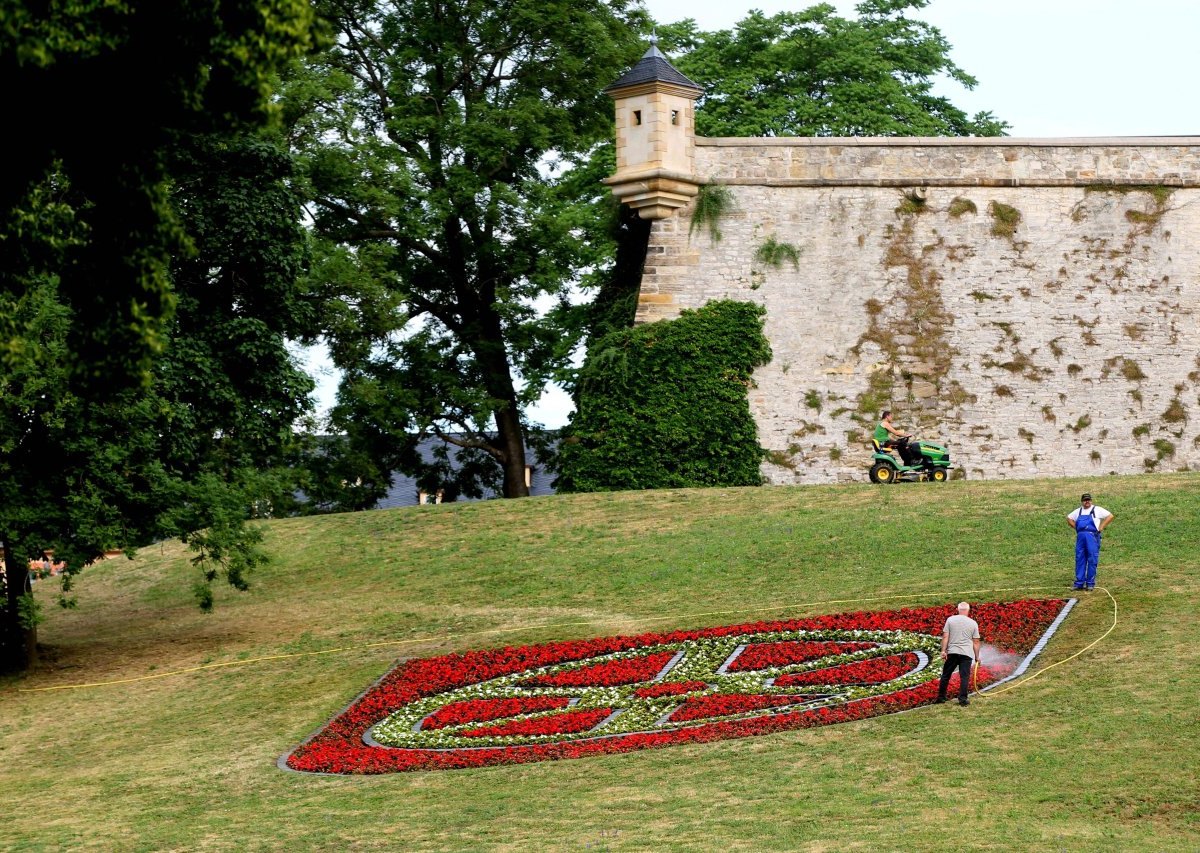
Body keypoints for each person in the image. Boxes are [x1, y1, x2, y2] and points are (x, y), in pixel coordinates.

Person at [935, 602, 981, 706]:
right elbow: (976, 642)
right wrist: (977, 657)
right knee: (964, 677)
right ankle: (963, 700)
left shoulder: (950, 620)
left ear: (958, 609)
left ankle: (941, 697)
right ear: (968, 610)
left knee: (946, 675)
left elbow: (945, 636)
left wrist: (943, 651)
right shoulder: (973, 623)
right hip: (966, 654)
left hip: (953, 652)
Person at [1067, 492, 1113, 591]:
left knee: (1092, 559)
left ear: (1091, 501)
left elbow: (1110, 516)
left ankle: (1090, 583)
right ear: (1082, 501)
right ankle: (1079, 583)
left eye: (1088, 500)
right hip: (1081, 537)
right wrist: (1076, 527)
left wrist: (1101, 527)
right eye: (1084, 500)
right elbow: (1069, 518)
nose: (1086, 502)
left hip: (1092, 537)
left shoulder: (1097, 509)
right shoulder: (1078, 511)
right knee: (1080, 559)